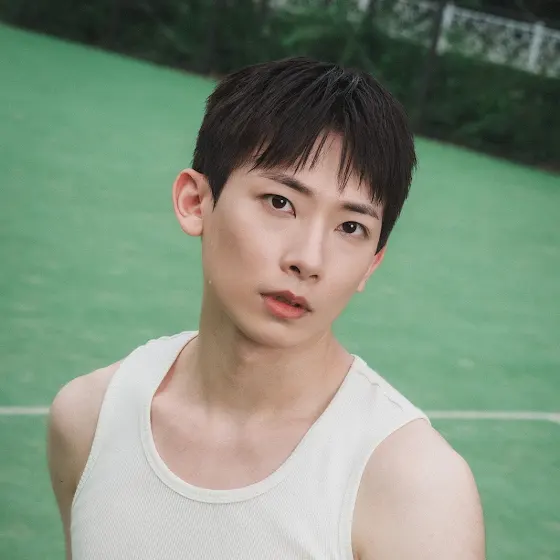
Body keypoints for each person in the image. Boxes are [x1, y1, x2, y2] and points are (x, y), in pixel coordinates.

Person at [47, 57, 485, 559]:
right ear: (195, 202)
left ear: (372, 263)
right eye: (280, 203)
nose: (308, 259)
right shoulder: (89, 418)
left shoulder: (416, 490)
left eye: (350, 228)